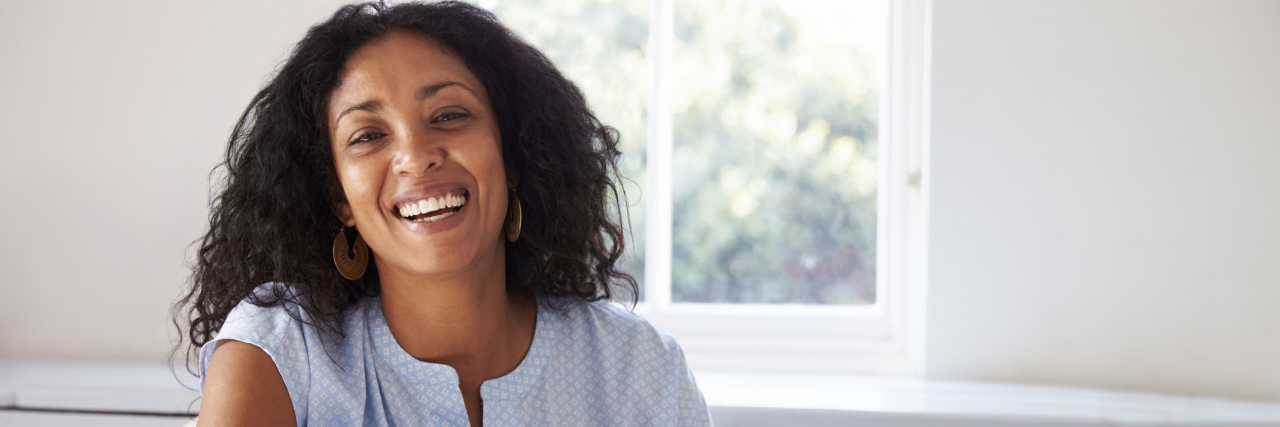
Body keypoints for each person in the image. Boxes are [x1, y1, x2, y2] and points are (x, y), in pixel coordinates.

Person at [174, 1, 711, 426]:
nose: (415, 155)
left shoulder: (641, 369)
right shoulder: (281, 352)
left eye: (450, 115)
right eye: (368, 135)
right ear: (339, 199)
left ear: (515, 155)